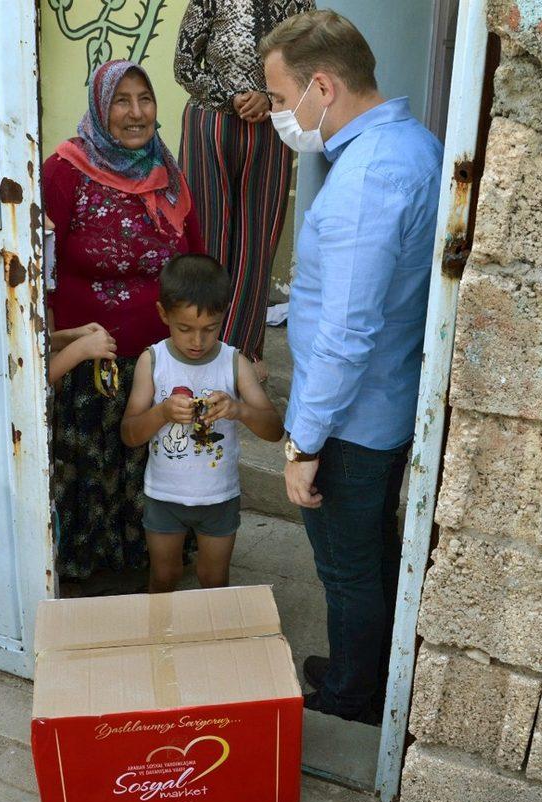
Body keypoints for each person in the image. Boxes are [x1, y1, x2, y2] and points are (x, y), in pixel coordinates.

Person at [260, 10, 443, 723]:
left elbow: (344, 332)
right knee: (370, 553)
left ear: (323, 87)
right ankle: (370, 672)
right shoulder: (412, 143)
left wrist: (304, 443)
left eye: (279, 99)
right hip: (385, 398)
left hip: (353, 419)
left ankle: (353, 695)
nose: (276, 114)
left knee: (347, 566)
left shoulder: (367, 178)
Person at [43, 59, 205, 581]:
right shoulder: (63, 172)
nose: (136, 113)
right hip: (90, 361)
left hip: (160, 360)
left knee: (157, 469)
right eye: (121, 100)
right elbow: (37, 263)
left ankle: (149, 561)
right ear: (99, 106)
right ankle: (85, 567)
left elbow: (194, 260)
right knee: (90, 469)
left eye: (145, 99)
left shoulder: (168, 174)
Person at [121, 254, 284, 592]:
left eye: (210, 329)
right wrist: (162, 413)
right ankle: (162, 641)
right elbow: (130, 434)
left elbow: (273, 429)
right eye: (185, 329)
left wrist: (238, 410)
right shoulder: (152, 362)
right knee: (164, 577)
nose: (198, 341)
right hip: (165, 497)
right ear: (164, 314)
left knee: (214, 581)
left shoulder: (234, 362)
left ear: (223, 315)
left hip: (219, 497)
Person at [174, 0, 315, 382]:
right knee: (209, 238)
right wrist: (232, 97)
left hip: (271, 127)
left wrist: (268, 98)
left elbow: (309, 66)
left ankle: (243, 352)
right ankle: (198, 351)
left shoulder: (300, 2)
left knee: (258, 239)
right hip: (212, 124)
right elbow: (184, 66)